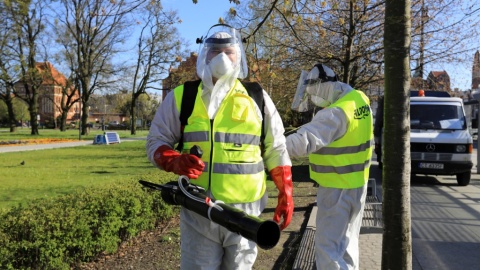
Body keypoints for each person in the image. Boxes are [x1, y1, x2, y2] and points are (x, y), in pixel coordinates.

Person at [146, 24, 293, 269]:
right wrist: (174, 160)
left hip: (246, 214)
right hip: (198, 212)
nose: (222, 57)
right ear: (205, 54)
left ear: (239, 56)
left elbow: (276, 147)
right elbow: (155, 142)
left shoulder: (257, 97)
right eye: (215, 50)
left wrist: (285, 191)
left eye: (229, 51)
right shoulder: (183, 96)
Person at [287, 64, 373, 270]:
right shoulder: (358, 99)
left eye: (314, 93)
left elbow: (305, 141)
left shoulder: (335, 114)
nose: (314, 99)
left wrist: (272, 148)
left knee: (328, 251)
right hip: (356, 185)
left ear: (324, 86)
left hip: (337, 189)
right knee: (348, 245)